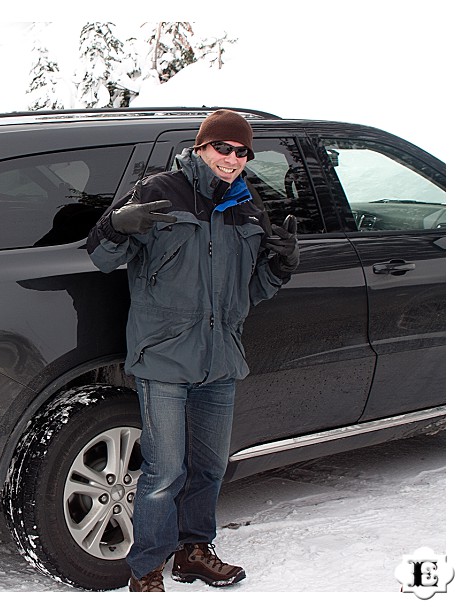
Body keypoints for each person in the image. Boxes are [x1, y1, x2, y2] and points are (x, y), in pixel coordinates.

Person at [86, 109, 299, 592]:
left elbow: (252, 289)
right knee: (164, 471)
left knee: (209, 466)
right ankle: (146, 571)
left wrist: (282, 265)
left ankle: (195, 551)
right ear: (201, 147)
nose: (232, 159)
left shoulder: (245, 206)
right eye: (223, 148)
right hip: (164, 357)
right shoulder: (161, 189)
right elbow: (102, 256)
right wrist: (119, 224)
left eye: (242, 152)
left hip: (219, 357)